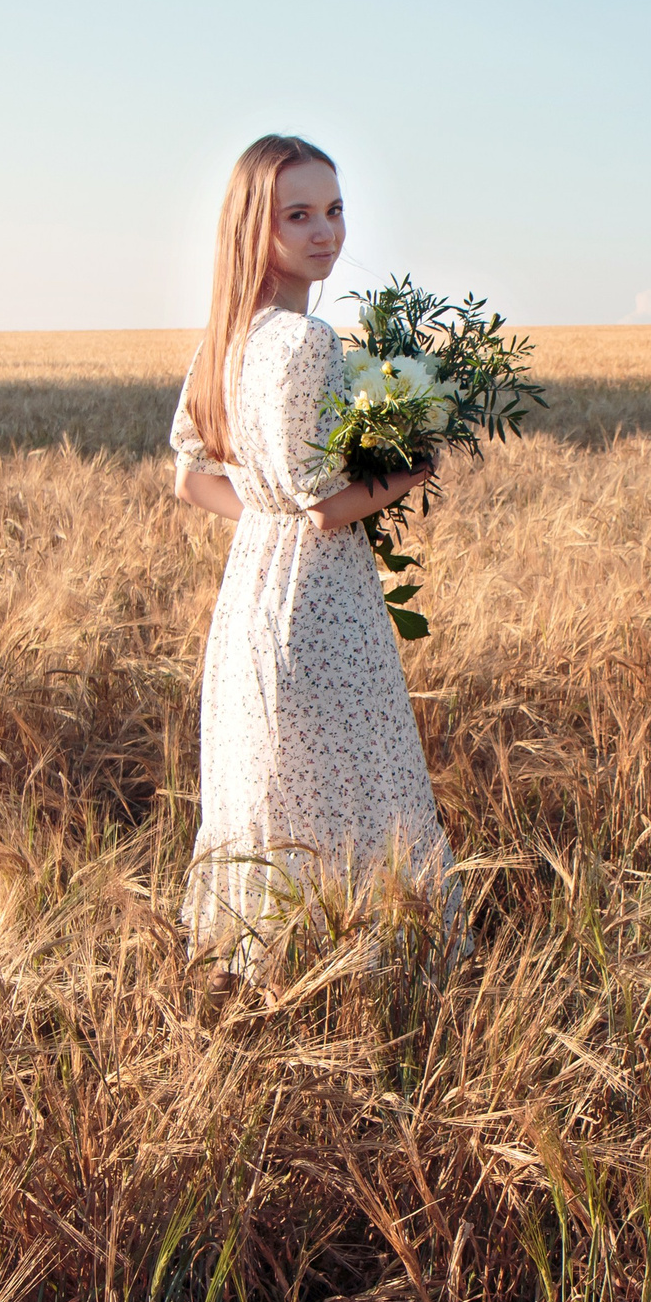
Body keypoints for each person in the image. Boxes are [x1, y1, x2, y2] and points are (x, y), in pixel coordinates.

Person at [168, 134, 453, 974]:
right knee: (352, 797)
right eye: (298, 215)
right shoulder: (304, 342)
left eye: (332, 210)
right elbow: (329, 508)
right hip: (319, 613)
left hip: (251, 601)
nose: (323, 232)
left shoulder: (222, 342)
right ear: (255, 225)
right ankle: (369, 983)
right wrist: (414, 465)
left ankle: (265, 972)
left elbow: (192, 480)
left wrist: (267, 515)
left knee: (271, 798)